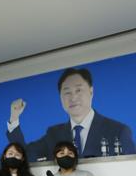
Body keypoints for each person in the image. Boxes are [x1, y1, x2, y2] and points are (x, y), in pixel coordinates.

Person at [7, 67, 135, 161]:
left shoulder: (118, 131)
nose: (73, 97)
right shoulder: (54, 134)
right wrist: (14, 118)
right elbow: (24, 153)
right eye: (67, 92)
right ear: (60, 97)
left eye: (78, 90)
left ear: (91, 91)